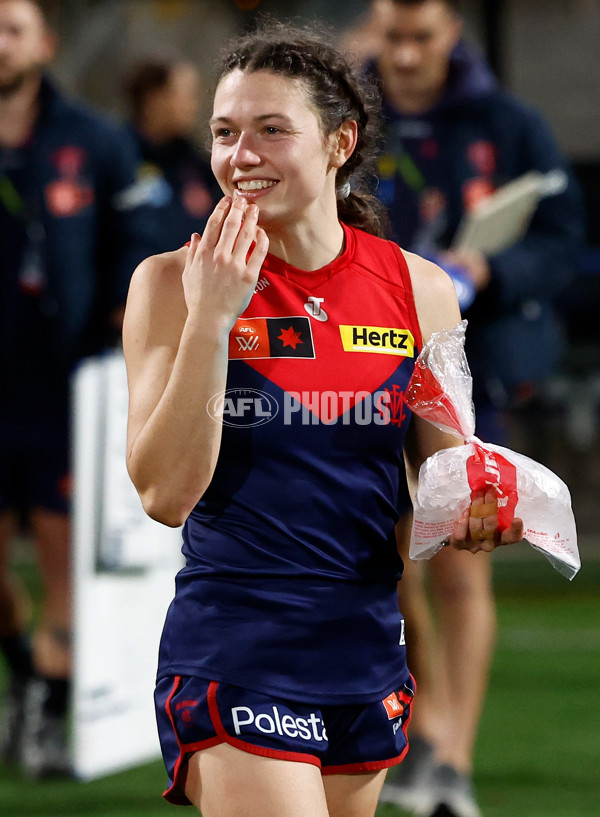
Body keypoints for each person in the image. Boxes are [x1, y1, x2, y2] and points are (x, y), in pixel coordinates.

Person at [122, 20, 524, 817]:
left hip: (364, 653)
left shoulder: (419, 289)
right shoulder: (171, 284)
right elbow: (164, 492)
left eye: (273, 130)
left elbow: (442, 482)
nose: (242, 154)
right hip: (235, 649)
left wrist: (481, 505)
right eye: (225, 132)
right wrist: (211, 320)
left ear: (340, 143)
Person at [351, 3, 584, 816]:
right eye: (392, 36)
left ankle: (453, 756)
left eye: (422, 36)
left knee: (461, 548)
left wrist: (487, 268)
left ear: (453, 31)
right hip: (363, 362)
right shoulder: (347, 109)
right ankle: (430, 721)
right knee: (388, 553)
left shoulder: (509, 122)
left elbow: (565, 238)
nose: (406, 54)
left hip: (472, 367)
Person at [0, 0, 157, 778]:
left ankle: (43, 718)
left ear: (45, 43)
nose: (0, 44)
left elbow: (142, 239)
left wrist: (127, 308)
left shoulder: (94, 139)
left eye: (12, 28)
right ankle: (26, 671)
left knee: (63, 559)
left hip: (64, 389)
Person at [124, 57, 221, 252]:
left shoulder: (199, 165)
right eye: (187, 95)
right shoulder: (117, 158)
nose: (193, 106)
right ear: (154, 98)